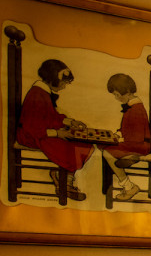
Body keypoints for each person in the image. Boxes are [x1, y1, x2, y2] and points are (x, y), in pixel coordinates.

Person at [16, 58, 94, 202]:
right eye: (63, 82)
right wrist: (58, 133)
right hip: (32, 136)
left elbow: (50, 118)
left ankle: (64, 179)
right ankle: (64, 184)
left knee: (85, 144)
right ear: (52, 79)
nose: (64, 86)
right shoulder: (37, 94)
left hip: (43, 133)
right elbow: (32, 127)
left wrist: (70, 122)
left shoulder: (43, 93)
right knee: (71, 149)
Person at [102, 73, 151, 202]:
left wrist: (119, 140)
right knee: (104, 146)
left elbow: (137, 137)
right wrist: (117, 135)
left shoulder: (136, 109)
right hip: (134, 143)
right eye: (115, 95)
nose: (116, 98)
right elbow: (125, 129)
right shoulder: (132, 106)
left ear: (128, 91)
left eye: (117, 95)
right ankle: (128, 163)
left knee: (107, 152)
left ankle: (129, 187)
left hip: (139, 145)